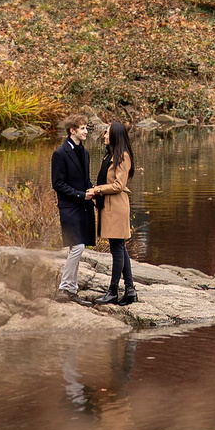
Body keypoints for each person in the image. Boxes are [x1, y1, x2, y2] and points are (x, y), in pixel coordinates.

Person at [88, 122, 137, 306]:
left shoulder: (123, 157)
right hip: (110, 206)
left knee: (117, 249)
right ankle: (130, 289)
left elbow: (118, 185)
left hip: (116, 207)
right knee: (120, 248)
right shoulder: (111, 155)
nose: (104, 136)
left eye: (106, 133)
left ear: (115, 135)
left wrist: (98, 189)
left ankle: (113, 291)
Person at [50, 114, 97, 300]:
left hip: (84, 206)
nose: (86, 131)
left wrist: (93, 188)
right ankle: (65, 288)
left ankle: (72, 290)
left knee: (76, 248)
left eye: (86, 128)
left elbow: (85, 180)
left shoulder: (84, 153)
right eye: (83, 128)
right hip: (69, 207)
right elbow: (58, 184)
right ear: (72, 130)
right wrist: (81, 194)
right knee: (77, 246)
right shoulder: (60, 154)